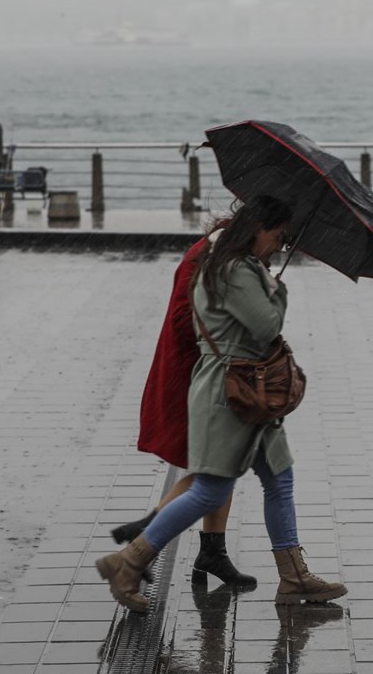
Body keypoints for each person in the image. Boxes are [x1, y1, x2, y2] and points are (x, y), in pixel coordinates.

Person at [96, 196, 347, 613]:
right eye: (279, 235)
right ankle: (130, 560)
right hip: (234, 393)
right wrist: (278, 289)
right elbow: (267, 325)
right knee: (210, 490)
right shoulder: (235, 269)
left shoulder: (226, 262)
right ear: (259, 228)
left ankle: (293, 576)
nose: (281, 245)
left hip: (250, 391)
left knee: (279, 480)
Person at [110, 221, 255, 589]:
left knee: (221, 464)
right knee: (213, 469)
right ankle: (145, 537)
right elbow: (182, 318)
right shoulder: (208, 258)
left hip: (210, 374)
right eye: (278, 237)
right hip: (192, 377)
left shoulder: (226, 255)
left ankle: (210, 549)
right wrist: (233, 324)